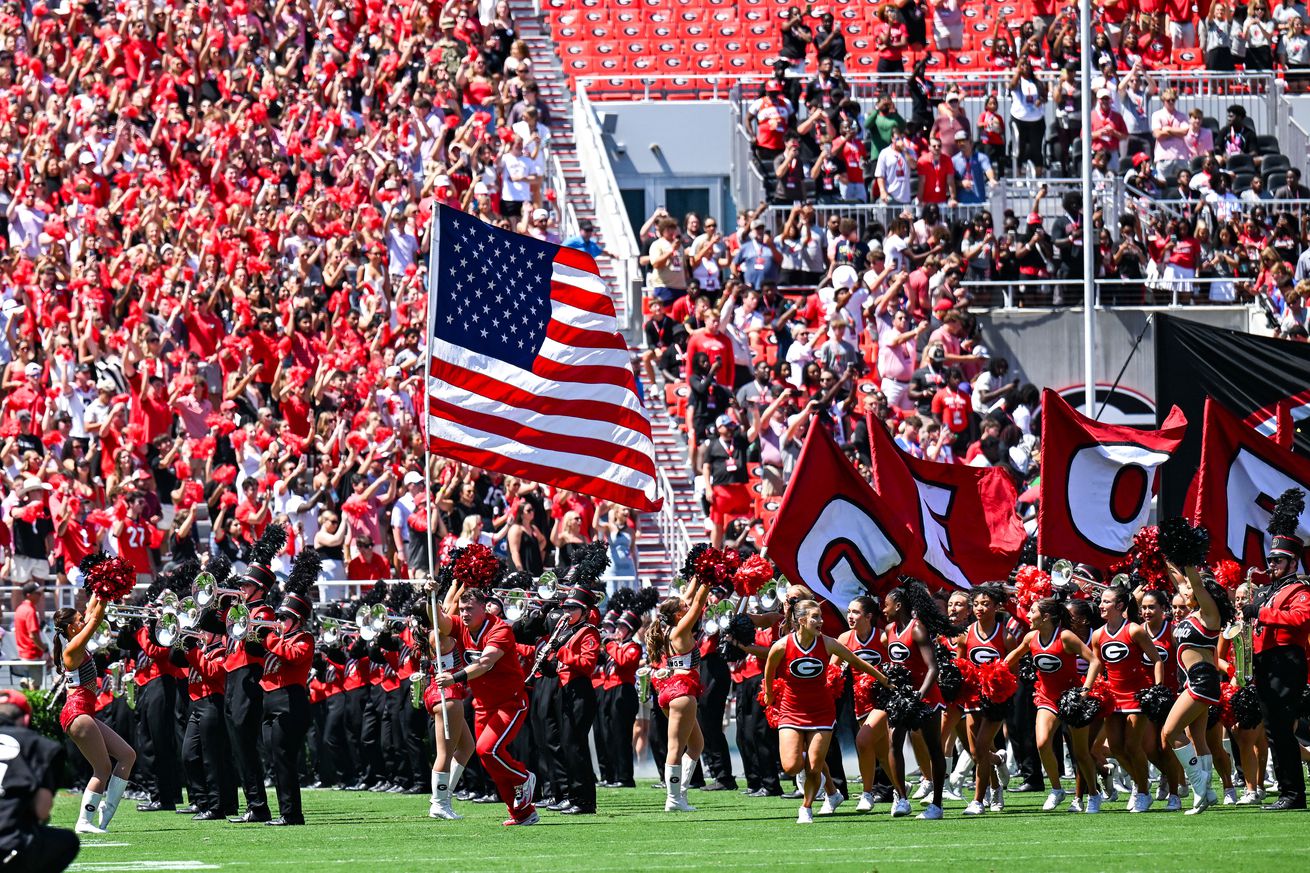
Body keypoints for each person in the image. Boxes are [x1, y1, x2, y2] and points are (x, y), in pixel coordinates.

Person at [764, 598, 887, 824]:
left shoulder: (828, 643)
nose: (821, 621)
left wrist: (883, 678)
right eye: (815, 618)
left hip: (822, 712)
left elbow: (855, 661)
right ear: (801, 621)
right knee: (791, 766)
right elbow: (769, 669)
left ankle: (806, 807)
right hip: (791, 710)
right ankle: (829, 788)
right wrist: (769, 693)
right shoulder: (782, 646)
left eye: (821, 617)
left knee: (814, 766)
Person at [435, 581, 538, 826]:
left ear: (485, 608)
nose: (465, 613)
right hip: (483, 703)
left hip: (509, 702)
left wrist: (454, 678)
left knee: (487, 750)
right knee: (489, 759)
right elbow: (439, 623)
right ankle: (524, 814)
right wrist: (431, 596)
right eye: (462, 609)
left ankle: (523, 777)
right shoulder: (461, 625)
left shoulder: (500, 629)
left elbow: (484, 663)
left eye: (470, 608)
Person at [52, 590, 136, 834]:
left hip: (84, 712)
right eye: (78, 620)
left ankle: (106, 811)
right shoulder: (72, 649)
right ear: (71, 629)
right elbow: (96, 620)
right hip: (77, 712)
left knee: (127, 755)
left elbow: (91, 613)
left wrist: (101, 588)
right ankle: (84, 822)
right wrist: (108, 594)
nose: (83, 620)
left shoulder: (76, 642)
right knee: (102, 768)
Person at [1005, 598, 1099, 812]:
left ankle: (1093, 794)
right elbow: (1016, 655)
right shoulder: (1031, 638)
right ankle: (1056, 789)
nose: (1028, 616)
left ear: (1045, 617)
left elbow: (1094, 661)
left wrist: (1085, 690)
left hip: (1071, 699)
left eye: (1032, 611)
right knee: (1042, 742)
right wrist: (998, 670)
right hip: (1046, 698)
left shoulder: (1065, 636)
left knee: (1081, 753)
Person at [883, 580, 963, 819]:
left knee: (933, 749)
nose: (882, 609)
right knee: (894, 742)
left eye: (886, 605)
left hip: (926, 697)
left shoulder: (917, 629)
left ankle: (936, 805)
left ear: (898, 605)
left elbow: (932, 668)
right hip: (901, 697)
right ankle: (901, 799)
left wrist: (918, 697)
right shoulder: (889, 631)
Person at [1083, 585, 1166, 812]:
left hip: (1137, 695)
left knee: (1132, 745)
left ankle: (1142, 792)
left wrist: (1156, 690)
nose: (1101, 605)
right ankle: (1141, 782)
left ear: (1120, 606)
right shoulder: (1098, 634)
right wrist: (1087, 689)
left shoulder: (1134, 630)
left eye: (1106, 602)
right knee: (1117, 749)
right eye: (1101, 601)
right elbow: (1097, 664)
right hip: (1113, 696)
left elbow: (1157, 660)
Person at [1251, 496, 1310, 810]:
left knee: (1282, 730)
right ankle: (1288, 791)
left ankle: (1293, 794)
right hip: (1266, 662)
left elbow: (1302, 619)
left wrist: (1261, 612)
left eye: (1278, 560)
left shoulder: (1300, 590)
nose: (1271, 564)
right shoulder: (1268, 590)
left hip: (1286, 662)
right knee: (1273, 731)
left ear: (1292, 563)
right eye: (1271, 559)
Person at [1159, 560, 1231, 814]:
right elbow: (1180, 580)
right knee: (1196, 738)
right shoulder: (1192, 612)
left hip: (1202, 680)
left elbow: (1195, 583)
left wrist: (1189, 558)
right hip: (1193, 681)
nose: (1185, 591)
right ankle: (1209, 792)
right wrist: (1169, 555)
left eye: (1190, 589)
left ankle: (1198, 787)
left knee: (1170, 733)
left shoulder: (1210, 614)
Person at [258, 557, 316, 826]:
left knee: (284, 759)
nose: (278, 621)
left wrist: (269, 638)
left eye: (283, 618)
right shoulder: (279, 637)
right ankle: (285, 811)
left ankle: (292, 814)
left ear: (297, 620)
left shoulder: (304, 639)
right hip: (270, 699)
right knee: (274, 758)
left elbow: (292, 656)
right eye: (278, 617)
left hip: (290, 700)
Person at [646, 573, 710, 812]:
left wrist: (697, 574)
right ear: (678, 614)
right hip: (682, 692)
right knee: (676, 748)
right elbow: (697, 604)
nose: (686, 603)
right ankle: (673, 799)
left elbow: (688, 599)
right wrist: (710, 579)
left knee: (696, 745)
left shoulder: (668, 627)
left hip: (669, 690)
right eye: (683, 606)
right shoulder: (680, 630)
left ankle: (680, 793)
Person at [0, 690, 79, 873]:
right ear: (26, 719)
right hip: (9, 844)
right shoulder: (39, 745)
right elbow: (41, 810)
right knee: (68, 842)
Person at [957, 585, 1013, 815]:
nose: (980, 608)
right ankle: (997, 774)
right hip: (972, 697)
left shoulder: (1005, 636)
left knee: (980, 747)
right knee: (976, 751)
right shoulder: (965, 635)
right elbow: (959, 667)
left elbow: (1013, 673)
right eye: (977, 603)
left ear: (997, 606)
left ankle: (978, 801)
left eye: (986, 604)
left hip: (996, 700)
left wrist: (999, 687)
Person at [547, 586, 601, 814]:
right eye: (566, 607)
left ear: (584, 610)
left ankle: (585, 800)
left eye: (572, 608)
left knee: (575, 745)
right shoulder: (566, 631)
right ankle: (572, 795)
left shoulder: (589, 632)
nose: (567, 612)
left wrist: (560, 652)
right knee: (566, 745)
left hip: (580, 690)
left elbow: (587, 664)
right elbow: (557, 662)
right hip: (565, 689)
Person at [12, 582, 48, 685]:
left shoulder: (19, 609)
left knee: (30, 686)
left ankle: (26, 681)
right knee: (35, 687)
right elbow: (33, 636)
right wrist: (44, 648)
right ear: (29, 595)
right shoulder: (30, 610)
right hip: (32, 655)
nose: (40, 596)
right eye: (37, 593)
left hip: (23, 654)